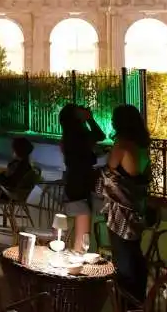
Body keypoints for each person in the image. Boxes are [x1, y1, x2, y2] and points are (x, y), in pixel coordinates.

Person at [99, 104, 151, 302]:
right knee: (134, 255)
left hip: (121, 213)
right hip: (137, 210)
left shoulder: (122, 144)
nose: (112, 122)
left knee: (124, 262)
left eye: (114, 119)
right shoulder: (141, 145)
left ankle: (127, 304)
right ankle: (139, 301)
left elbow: (109, 171)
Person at [59, 103, 105, 251]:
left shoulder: (71, 134)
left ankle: (79, 252)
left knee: (83, 218)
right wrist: (90, 119)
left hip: (77, 181)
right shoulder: (77, 134)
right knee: (83, 217)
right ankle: (79, 253)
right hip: (79, 182)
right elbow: (100, 135)